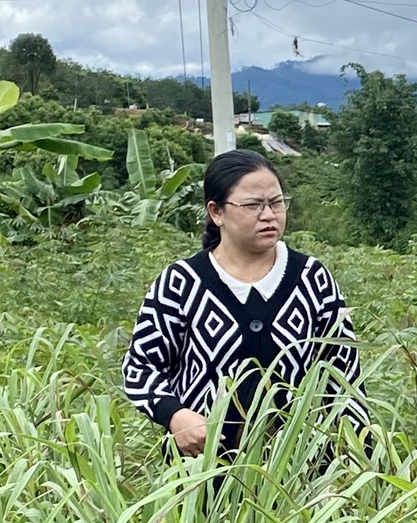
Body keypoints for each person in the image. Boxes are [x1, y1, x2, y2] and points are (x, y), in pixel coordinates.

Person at [123, 149, 366, 456]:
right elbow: (141, 366)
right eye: (252, 205)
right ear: (216, 212)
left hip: (298, 477)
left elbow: (344, 376)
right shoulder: (181, 283)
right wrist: (174, 415)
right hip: (201, 475)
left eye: (276, 203)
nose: (268, 215)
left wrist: (357, 457)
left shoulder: (311, 278)